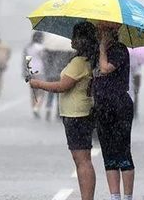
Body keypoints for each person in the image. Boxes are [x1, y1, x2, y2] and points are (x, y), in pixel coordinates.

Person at [29, 22, 98, 200]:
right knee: (82, 159)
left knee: (82, 160)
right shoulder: (87, 60)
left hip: (77, 114)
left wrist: (38, 84)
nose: (72, 40)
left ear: (82, 40)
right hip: (80, 113)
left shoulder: (78, 62)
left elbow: (62, 86)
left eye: (75, 36)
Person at [93, 21, 135, 200]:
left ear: (111, 33)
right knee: (108, 154)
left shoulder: (119, 50)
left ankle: (127, 196)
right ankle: (114, 196)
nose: (99, 35)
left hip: (119, 105)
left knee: (123, 152)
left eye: (102, 32)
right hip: (102, 107)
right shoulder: (96, 52)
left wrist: (102, 49)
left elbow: (105, 69)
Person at [23, 31, 46, 118]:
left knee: (33, 92)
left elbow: (26, 61)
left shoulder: (28, 47)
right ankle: (37, 107)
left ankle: (33, 108)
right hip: (40, 71)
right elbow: (45, 60)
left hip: (30, 71)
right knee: (42, 92)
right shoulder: (42, 48)